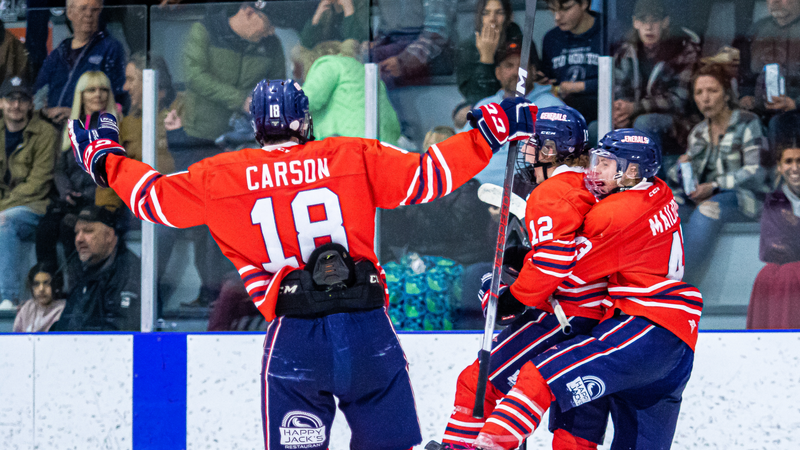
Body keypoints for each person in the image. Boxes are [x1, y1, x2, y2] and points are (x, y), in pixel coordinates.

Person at [65, 79, 537, 448]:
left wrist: (105, 160)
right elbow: (428, 176)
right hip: (368, 331)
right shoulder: (351, 154)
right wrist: (488, 134)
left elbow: (154, 201)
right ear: (305, 119)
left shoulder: (222, 176)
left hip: (295, 339)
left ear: (257, 126)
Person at [470, 129, 702, 450]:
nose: (595, 170)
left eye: (606, 164)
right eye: (597, 160)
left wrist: (525, 261)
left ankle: (492, 442)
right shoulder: (659, 191)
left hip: (642, 329)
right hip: (679, 344)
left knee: (542, 373)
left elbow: (563, 271)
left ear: (632, 171)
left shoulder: (614, 213)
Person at [426, 106, 611, 450]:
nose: (528, 153)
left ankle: (461, 447)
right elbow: (572, 250)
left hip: (565, 316)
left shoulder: (552, 192)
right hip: (603, 320)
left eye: (535, 146)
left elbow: (553, 263)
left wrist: (511, 299)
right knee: (573, 429)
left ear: (551, 151)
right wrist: (525, 257)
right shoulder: (591, 184)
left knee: (477, 382)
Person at [667, 63, 768, 286]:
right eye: (699, 92)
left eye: (712, 91)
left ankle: (680, 285)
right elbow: (684, 178)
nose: (705, 98)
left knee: (706, 210)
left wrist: (714, 186)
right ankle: (658, 279)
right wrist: (681, 169)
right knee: (670, 210)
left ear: (727, 94)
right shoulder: (699, 132)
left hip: (745, 199)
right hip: (706, 197)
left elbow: (757, 171)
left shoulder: (747, 122)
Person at [178, 2, 285, 171]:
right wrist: (241, 100)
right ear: (249, 12)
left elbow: (278, 86)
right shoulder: (205, 30)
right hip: (202, 136)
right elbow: (195, 77)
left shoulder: (272, 45)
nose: (272, 31)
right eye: (269, 23)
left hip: (247, 140)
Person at [35, 71, 120, 273]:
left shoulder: (115, 126)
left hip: (97, 200)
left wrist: (86, 195)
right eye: (91, 90)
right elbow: (59, 169)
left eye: (103, 90)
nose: (98, 95)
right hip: (71, 199)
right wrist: (66, 191)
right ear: (81, 95)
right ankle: (48, 284)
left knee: (69, 228)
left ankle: (77, 284)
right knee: (45, 229)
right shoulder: (71, 127)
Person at [612, 0, 700, 177]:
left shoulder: (683, 48)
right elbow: (619, 90)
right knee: (596, 127)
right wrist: (619, 112)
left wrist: (635, 108)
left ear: (665, 22)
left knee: (644, 123)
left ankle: (651, 184)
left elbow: (679, 100)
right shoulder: (626, 50)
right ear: (635, 23)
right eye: (643, 21)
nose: (649, 27)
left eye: (655, 21)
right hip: (634, 116)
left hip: (679, 121)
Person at [469, 36, 565, 187]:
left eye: (522, 66)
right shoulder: (483, 107)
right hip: (475, 191)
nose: (516, 72)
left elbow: (560, 161)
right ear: (498, 73)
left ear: (533, 71)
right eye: (509, 66)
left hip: (524, 192)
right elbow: (463, 153)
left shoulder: (553, 108)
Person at [0, 76, 57, 309]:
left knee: (5, 223)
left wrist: (2, 209)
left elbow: (38, 183)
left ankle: (8, 296)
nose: (16, 105)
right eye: (10, 99)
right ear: (1, 103)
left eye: (22, 100)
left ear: (31, 103)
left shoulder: (45, 133)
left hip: (33, 207)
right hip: (5, 207)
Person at [34, 0, 126, 127]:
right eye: (83, 9)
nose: (89, 14)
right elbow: (38, 91)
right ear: (69, 12)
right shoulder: (59, 52)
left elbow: (117, 100)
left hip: (89, 129)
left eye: (94, 10)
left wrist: (77, 114)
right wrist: (45, 112)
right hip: (52, 127)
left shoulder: (110, 49)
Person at [294, 39, 402, 144]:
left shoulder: (330, 64)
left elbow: (306, 100)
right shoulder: (366, 73)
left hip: (349, 144)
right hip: (382, 145)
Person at [51, 205, 141, 331]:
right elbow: (66, 324)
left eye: (88, 231)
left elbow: (120, 331)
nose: (79, 239)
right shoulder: (86, 271)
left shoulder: (128, 271)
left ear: (109, 235)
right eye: (76, 233)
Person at [747, 143, 800, 329]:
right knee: (771, 274)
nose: (795, 167)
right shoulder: (773, 201)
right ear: (779, 167)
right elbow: (772, 247)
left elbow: (786, 242)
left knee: (789, 273)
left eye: (799, 161)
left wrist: (793, 227)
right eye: (789, 161)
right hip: (787, 272)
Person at [541, 0, 602, 128]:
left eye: (565, 9)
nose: (557, 17)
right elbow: (548, 79)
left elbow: (621, 80)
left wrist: (579, 86)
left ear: (584, 3)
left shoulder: (607, 31)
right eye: (553, 10)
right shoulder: (551, 39)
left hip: (602, 110)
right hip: (563, 114)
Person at [371, 0, 458, 87]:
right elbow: (385, 31)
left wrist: (402, 62)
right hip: (396, 63)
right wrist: (372, 47)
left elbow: (437, 32)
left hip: (429, 68)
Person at [739, 0, 800, 119]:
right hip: (759, 111)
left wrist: (796, 103)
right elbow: (746, 72)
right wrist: (746, 95)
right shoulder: (757, 30)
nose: (775, 2)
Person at [456, 0, 523, 105]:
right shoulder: (468, 48)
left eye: (499, 13)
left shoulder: (521, 42)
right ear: (479, 17)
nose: (492, 19)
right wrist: (486, 59)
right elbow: (476, 97)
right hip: (481, 104)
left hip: (516, 100)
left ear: (509, 17)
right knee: (463, 113)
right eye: (486, 13)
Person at [12, 262, 66, 332]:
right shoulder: (27, 308)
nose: (41, 289)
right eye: (36, 284)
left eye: (46, 283)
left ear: (55, 285)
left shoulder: (63, 309)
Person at [298, 0, 369, 49]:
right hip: (327, 61)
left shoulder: (361, 6)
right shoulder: (326, 9)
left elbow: (357, 45)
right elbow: (306, 44)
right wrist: (317, 16)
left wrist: (349, 11)